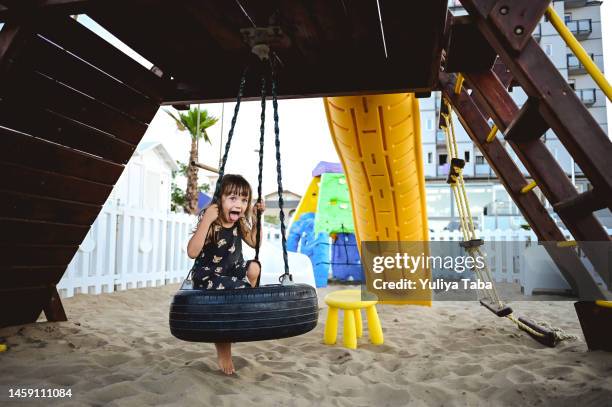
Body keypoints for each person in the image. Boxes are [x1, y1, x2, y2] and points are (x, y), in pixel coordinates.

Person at [186, 174, 264, 375]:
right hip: (209, 277)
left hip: (232, 272)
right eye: (233, 198)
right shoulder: (212, 223)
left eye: (244, 200)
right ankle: (225, 351)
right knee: (232, 300)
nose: (239, 204)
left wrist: (256, 218)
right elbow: (192, 252)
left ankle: (249, 304)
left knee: (254, 268)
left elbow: (255, 242)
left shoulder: (239, 223)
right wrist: (206, 220)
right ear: (219, 200)